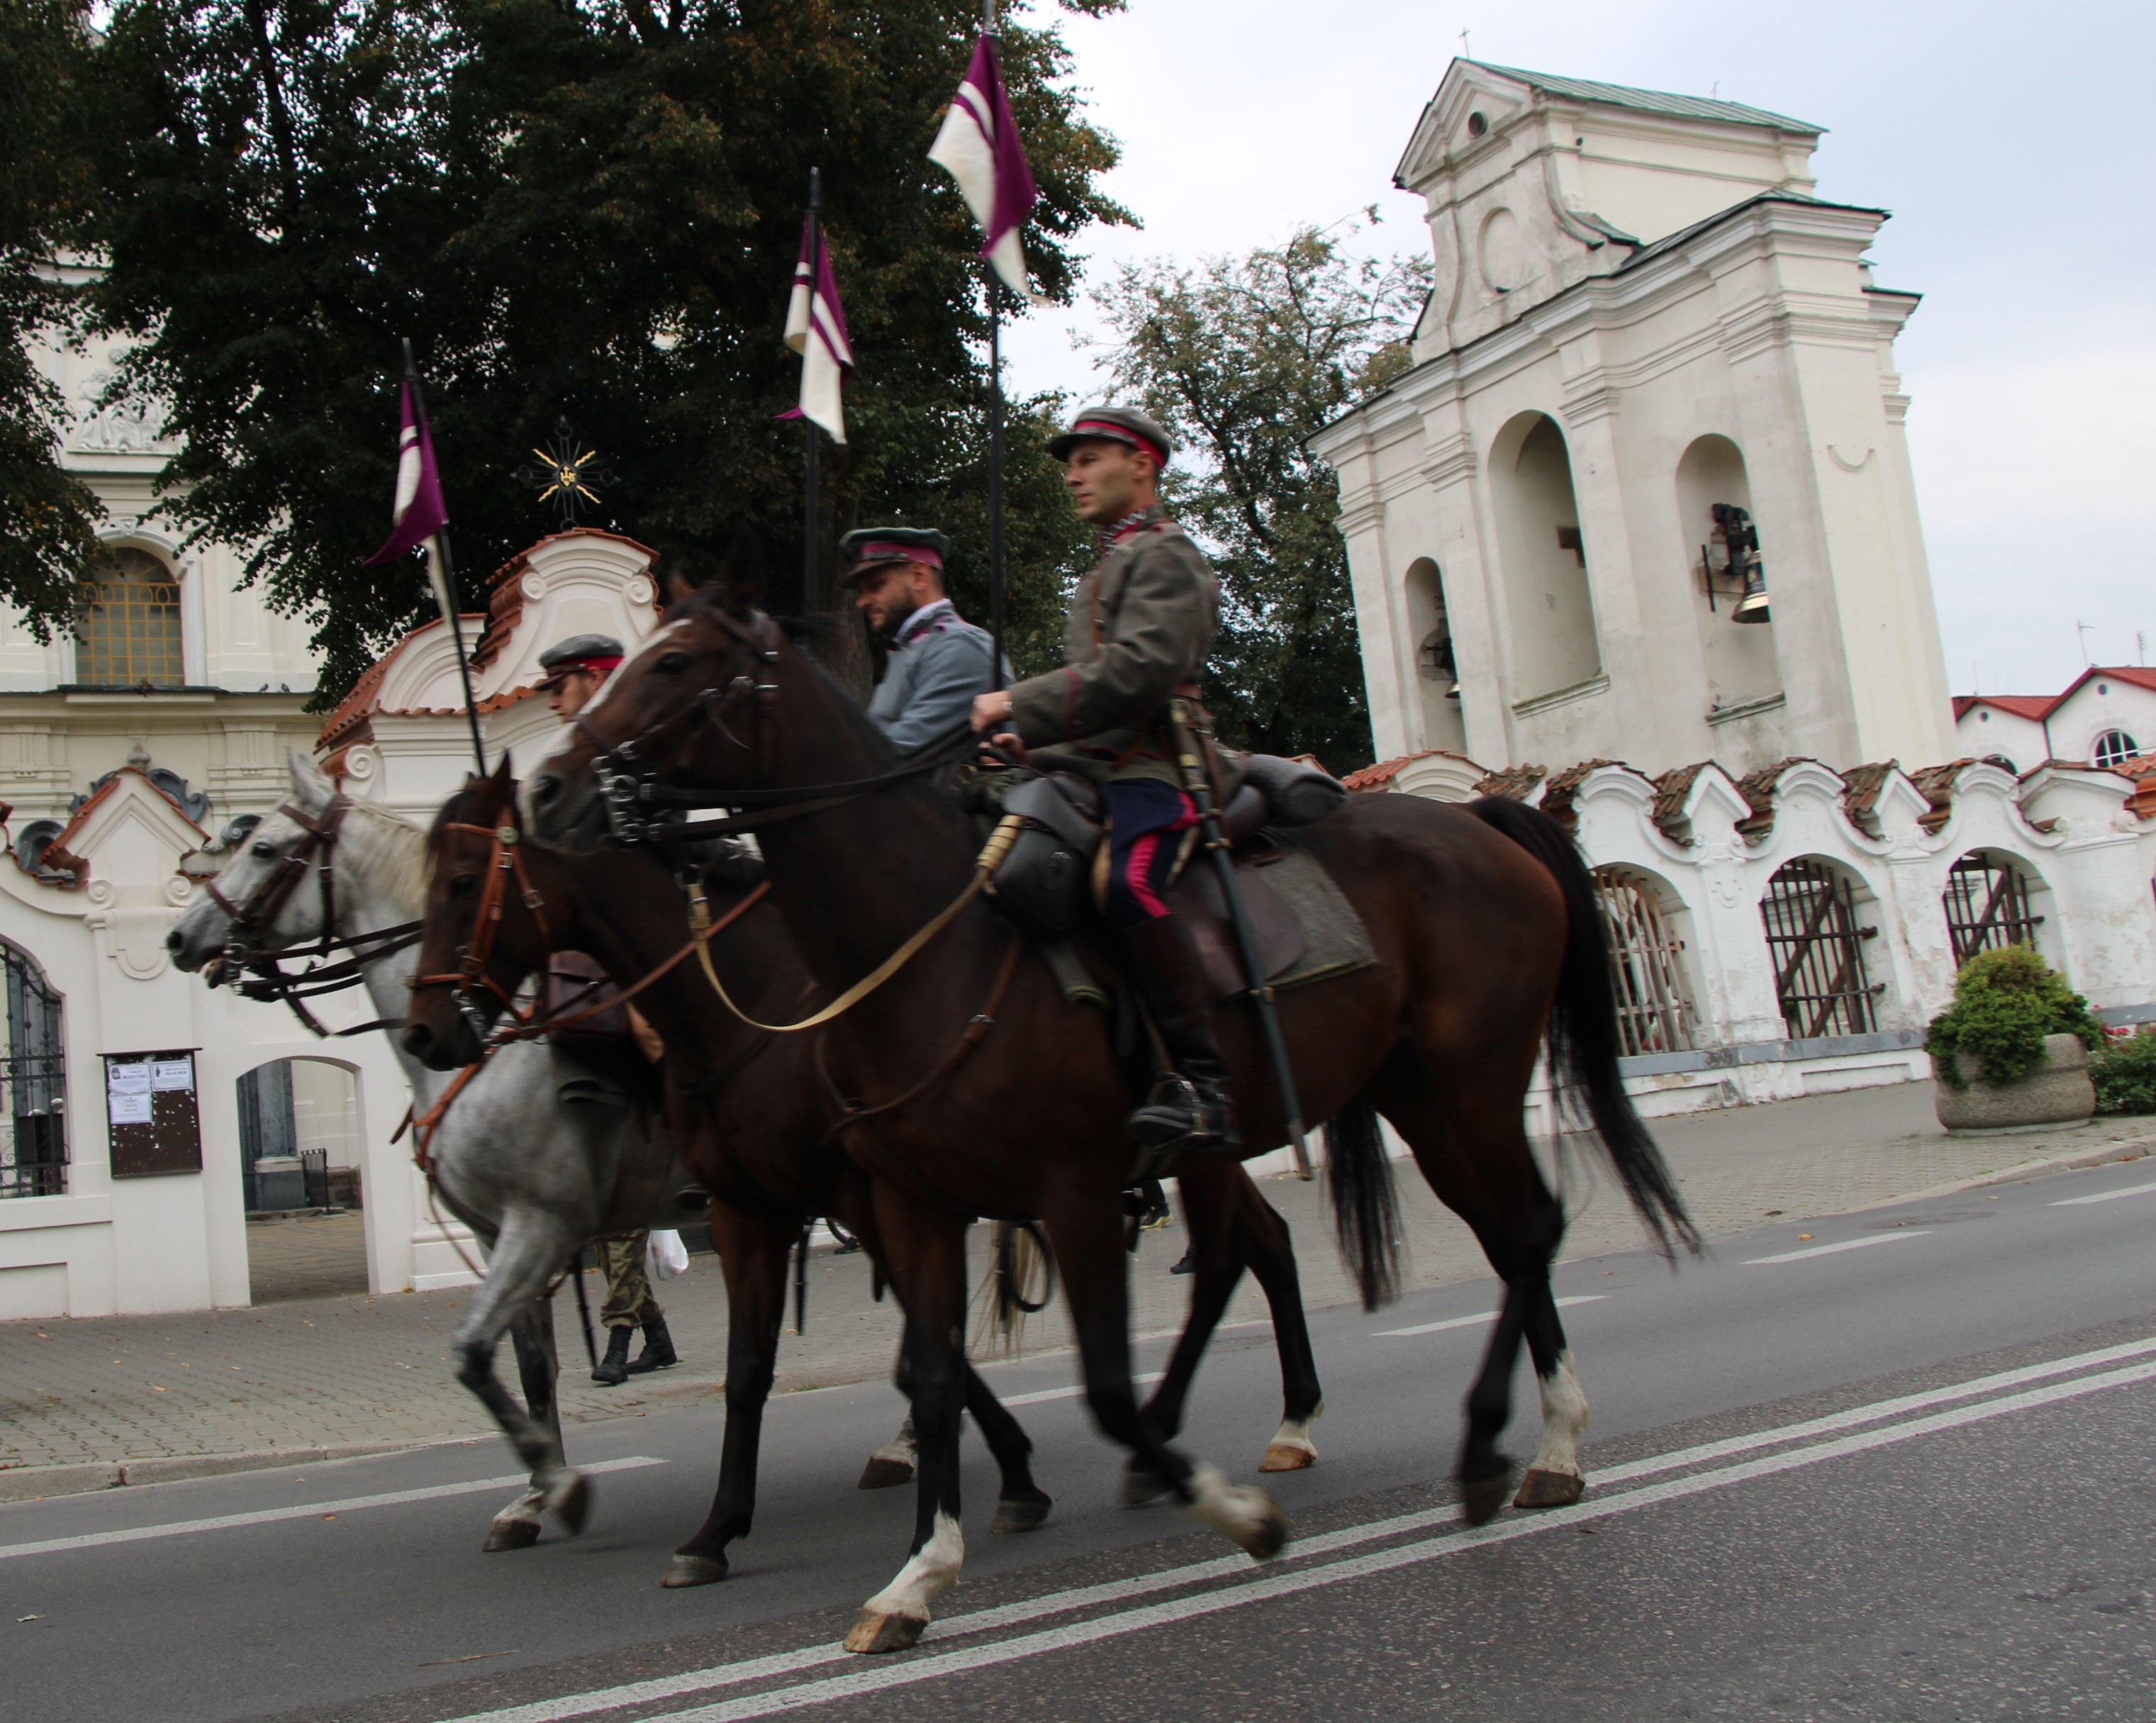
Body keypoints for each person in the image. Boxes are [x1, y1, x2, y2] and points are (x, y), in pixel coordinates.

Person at [969, 406, 1240, 1156]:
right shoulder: (1103, 567)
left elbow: (1139, 674)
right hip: (1095, 767)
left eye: (1089, 459)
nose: (1072, 475)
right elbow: (1092, 695)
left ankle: (1202, 1085)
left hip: (1160, 768)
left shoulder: (1166, 554)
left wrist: (1016, 702)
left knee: (1124, 884)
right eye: (1071, 462)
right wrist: (1028, 741)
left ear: (1142, 466)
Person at [537, 632, 678, 1385]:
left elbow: (649, 853)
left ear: (593, 680)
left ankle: (626, 1332)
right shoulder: (575, 763)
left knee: (621, 1159)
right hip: (598, 960)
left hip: (647, 956)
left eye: (562, 686)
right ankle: (646, 1328)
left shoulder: (631, 754)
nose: (555, 701)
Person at [842, 528, 1004, 753]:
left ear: (919, 576)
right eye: (862, 591)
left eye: (876, 586)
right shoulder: (918, 646)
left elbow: (898, 755)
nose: (863, 602)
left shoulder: (959, 646)